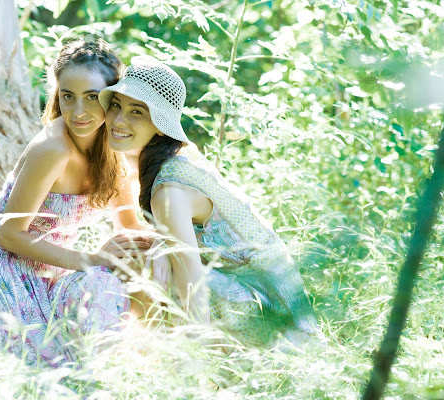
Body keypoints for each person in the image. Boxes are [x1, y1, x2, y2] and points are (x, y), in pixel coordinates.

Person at [98, 58, 319, 346]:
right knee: (147, 252)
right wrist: (161, 247)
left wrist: (196, 370)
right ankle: (154, 354)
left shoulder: (168, 189)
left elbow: (193, 287)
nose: (118, 120)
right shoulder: (171, 159)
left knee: (138, 262)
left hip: (275, 317)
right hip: (256, 297)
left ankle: (174, 363)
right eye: (116, 105)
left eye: (137, 112)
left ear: (161, 126)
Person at [0, 39, 150, 367]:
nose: (78, 112)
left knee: (140, 271)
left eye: (91, 98)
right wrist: (91, 259)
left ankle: (156, 358)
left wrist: (179, 251)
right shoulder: (53, 149)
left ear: (112, 98)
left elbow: (130, 229)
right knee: (99, 282)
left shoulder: (112, 149)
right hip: (6, 284)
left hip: (55, 276)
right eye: (67, 96)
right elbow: (9, 234)